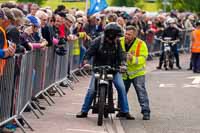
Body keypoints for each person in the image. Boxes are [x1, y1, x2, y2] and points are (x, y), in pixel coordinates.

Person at [76, 22, 134, 120]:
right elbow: (88, 53)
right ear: (111, 35)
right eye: (117, 36)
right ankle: (84, 110)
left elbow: (121, 55)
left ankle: (125, 111)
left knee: (121, 87)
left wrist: (123, 64)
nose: (118, 38)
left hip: (114, 69)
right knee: (92, 90)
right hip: (98, 69)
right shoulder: (97, 41)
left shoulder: (117, 43)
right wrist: (85, 63)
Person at [119, 25, 151, 120]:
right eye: (126, 34)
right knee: (122, 91)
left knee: (141, 92)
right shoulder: (120, 41)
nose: (126, 36)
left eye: (129, 34)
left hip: (137, 73)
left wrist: (132, 59)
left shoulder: (141, 44)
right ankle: (121, 110)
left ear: (134, 35)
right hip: (124, 72)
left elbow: (143, 58)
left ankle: (146, 112)